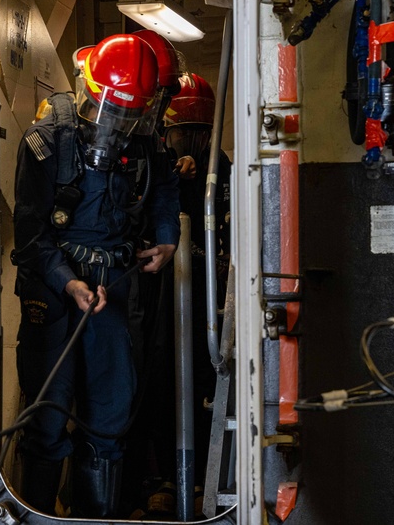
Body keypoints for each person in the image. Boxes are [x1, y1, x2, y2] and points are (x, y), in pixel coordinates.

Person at [12, 32, 180, 518]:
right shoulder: (46, 142)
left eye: (132, 115)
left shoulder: (145, 139)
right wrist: (68, 281)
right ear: (89, 88)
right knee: (46, 420)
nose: (121, 125)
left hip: (116, 290)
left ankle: (95, 516)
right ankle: (39, 512)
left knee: (109, 422)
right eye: (116, 112)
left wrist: (166, 237)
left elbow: (165, 186)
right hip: (57, 292)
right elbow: (30, 238)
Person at [132, 71, 232, 519]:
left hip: (209, 298)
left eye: (196, 134)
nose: (187, 143)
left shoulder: (223, 171)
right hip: (157, 297)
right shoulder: (150, 164)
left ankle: (202, 475)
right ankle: (164, 479)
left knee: (206, 381)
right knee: (155, 381)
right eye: (180, 133)